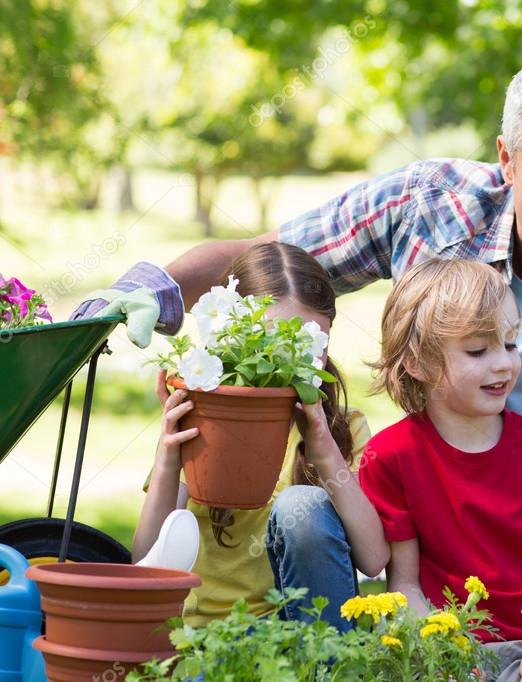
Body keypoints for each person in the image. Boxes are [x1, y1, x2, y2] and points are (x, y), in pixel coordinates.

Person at [75, 52, 522, 673]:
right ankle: (331, 668)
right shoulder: (431, 203)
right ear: (506, 159)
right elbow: (274, 259)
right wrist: (156, 286)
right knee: (302, 512)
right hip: (430, 522)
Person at [132, 242, 389, 630]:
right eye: (275, 342)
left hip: (310, 634)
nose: (292, 361)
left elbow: (373, 559)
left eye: (308, 345)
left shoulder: (343, 426)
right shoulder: (205, 421)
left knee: (300, 503)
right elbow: (145, 560)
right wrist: (170, 460)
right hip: (214, 639)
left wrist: (324, 453)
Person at [357, 258, 522, 682]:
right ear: (417, 363)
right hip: (445, 651)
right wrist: (440, 650)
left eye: (511, 345)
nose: (503, 364)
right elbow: (404, 584)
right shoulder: (390, 455)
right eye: (478, 350)